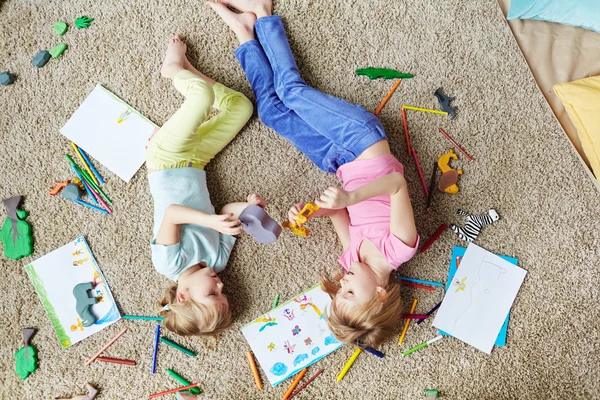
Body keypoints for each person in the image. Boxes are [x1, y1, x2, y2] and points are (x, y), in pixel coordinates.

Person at [207, 0, 419, 347]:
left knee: (272, 113)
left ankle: (244, 33)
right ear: (380, 294)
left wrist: (308, 214)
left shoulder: (351, 256)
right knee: (291, 92)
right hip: (363, 140)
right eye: (350, 289)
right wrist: (350, 197)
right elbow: (397, 184)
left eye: (340, 289)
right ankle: (262, 14)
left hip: (337, 160)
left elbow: (334, 211)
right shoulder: (398, 249)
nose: (344, 279)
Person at [147, 34, 263, 337]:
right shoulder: (218, 260)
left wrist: (210, 221)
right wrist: (249, 209)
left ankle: (172, 68)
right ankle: (188, 68)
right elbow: (228, 212)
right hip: (197, 162)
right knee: (241, 107)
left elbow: (172, 213)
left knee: (199, 97)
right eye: (224, 292)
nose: (221, 285)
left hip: (166, 159)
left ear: (183, 296)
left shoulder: (167, 262)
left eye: (213, 293)